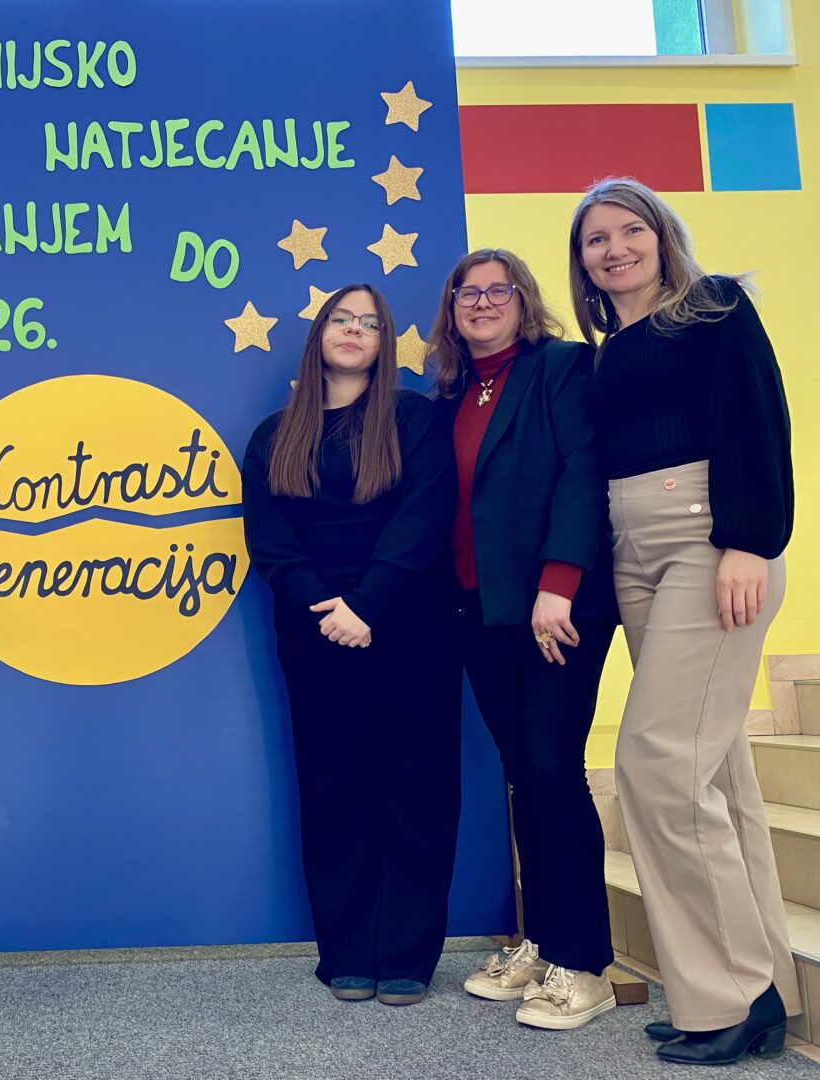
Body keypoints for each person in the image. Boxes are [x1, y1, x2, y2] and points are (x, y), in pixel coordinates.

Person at [570, 177, 797, 1066]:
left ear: (662, 235)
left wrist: (748, 540)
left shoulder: (715, 308)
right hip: (633, 544)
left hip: (709, 535)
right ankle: (760, 987)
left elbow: (758, 420)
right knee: (718, 772)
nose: (615, 248)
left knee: (657, 761)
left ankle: (731, 994)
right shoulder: (607, 350)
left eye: (630, 229)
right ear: (582, 262)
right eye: (596, 239)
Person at [241, 284, 460, 1006]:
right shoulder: (275, 435)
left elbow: (425, 517)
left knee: (417, 784)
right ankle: (346, 952)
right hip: (314, 632)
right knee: (334, 785)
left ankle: (406, 955)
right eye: (342, 318)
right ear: (320, 334)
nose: (355, 329)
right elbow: (270, 541)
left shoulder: (414, 417)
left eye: (370, 322)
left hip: (410, 623)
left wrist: (367, 605)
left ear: (384, 343)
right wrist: (325, 610)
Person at [427, 248, 619, 1029]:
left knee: (552, 768)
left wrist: (559, 581)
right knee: (523, 774)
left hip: (555, 605)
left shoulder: (560, 368)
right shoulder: (451, 394)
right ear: (451, 311)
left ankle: (585, 963)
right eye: (466, 293)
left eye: (496, 289)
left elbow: (583, 470)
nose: (481, 302)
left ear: (524, 298)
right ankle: (540, 943)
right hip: (481, 611)